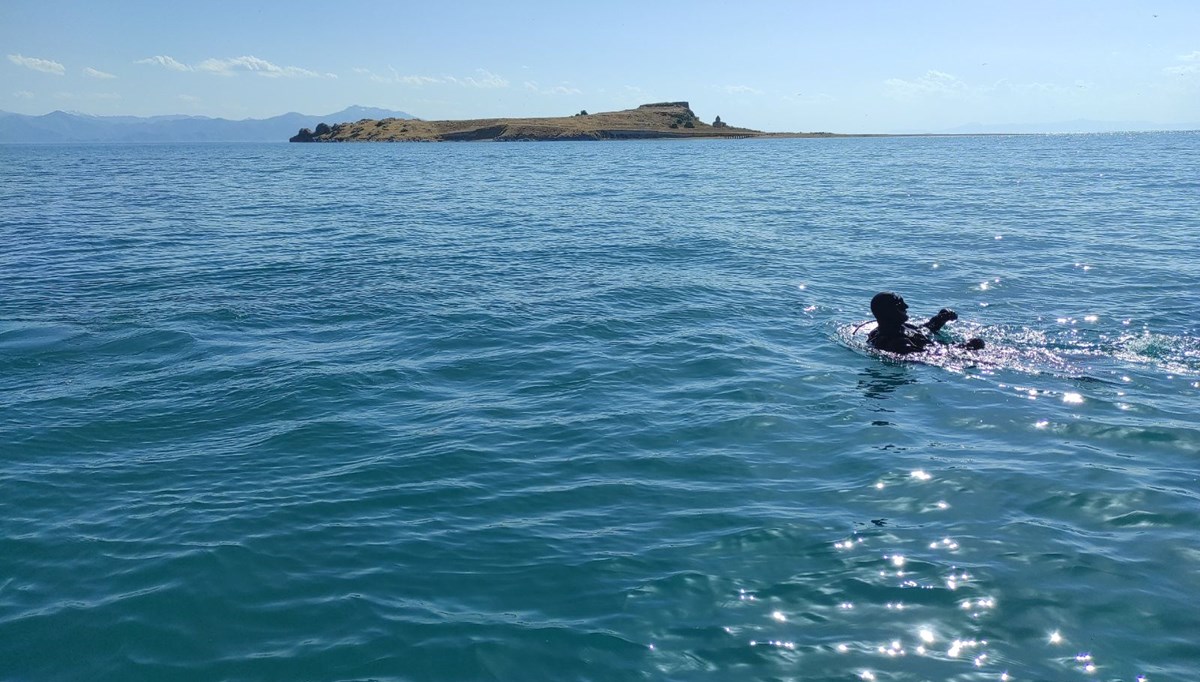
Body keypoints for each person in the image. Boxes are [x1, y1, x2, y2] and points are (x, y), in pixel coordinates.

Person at [866, 291, 985, 355]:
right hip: (942, 352)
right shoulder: (897, 343)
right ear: (889, 312)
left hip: (937, 345)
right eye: (900, 305)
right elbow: (929, 356)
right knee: (978, 343)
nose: (906, 306)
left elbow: (924, 330)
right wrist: (964, 348)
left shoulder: (901, 327)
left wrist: (940, 319)